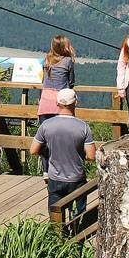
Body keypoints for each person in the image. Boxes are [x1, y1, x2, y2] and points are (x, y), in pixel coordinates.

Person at [29, 87, 96, 218]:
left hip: (54, 178)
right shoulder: (83, 127)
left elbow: (33, 150)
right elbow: (91, 156)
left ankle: (58, 236)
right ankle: (77, 235)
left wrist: (47, 152)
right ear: (76, 103)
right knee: (79, 217)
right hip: (76, 178)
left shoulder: (46, 125)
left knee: (56, 217)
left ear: (57, 103)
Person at [36, 34, 77, 176]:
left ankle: (46, 170)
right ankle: (62, 169)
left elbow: (43, 80)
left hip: (45, 100)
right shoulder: (68, 61)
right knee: (63, 137)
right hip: (60, 102)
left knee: (45, 137)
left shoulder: (46, 60)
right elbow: (71, 82)